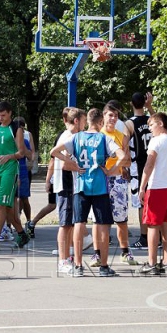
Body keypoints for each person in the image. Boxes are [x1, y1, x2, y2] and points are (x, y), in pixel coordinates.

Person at [51, 108, 125, 277]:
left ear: (89, 121)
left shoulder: (76, 137)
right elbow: (121, 155)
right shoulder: (103, 138)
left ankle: (77, 265)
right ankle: (104, 266)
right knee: (103, 225)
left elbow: (53, 152)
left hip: (81, 186)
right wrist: (110, 169)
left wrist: (73, 163)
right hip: (100, 186)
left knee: (79, 223)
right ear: (100, 123)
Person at [138, 113, 167, 274]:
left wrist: (142, 186)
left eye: (151, 125)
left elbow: (149, 164)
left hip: (156, 187)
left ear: (159, 123)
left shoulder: (156, 141)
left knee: (152, 225)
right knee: (166, 224)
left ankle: (151, 262)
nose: (150, 129)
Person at [93, 102, 136, 267]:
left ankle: (125, 251)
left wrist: (114, 168)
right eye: (110, 115)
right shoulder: (97, 136)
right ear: (103, 117)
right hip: (100, 180)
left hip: (117, 180)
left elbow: (127, 159)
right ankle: (97, 254)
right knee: (99, 219)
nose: (113, 118)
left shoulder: (122, 136)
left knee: (121, 219)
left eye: (116, 116)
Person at [0, 101, 30, 251]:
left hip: (10, 171)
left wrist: (9, 156)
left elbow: (21, 153)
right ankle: (22, 234)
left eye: (3, 115)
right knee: (8, 210)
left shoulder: (16, 129)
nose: (1, 117)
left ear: (10, 113)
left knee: (0, 206)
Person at [50, 107, 84, 273]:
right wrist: (80, 167)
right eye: (84, 122)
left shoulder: (69, 135)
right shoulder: (69, 137)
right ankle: (62, 260)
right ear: (76, 121)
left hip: (68, 184)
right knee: (65, 224)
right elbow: (64, 163)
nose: (85, 125)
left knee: (70, 223)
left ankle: (67, 256)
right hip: (65, 184)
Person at [125, 92, 154, 249]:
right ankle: (157, 233)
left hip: (138, 166)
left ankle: (144, 237)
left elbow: (125, 147)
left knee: (140, 202)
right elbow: (162, 123)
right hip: (153, 162)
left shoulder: (129, 124)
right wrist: (150, 107)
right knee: (153, 198)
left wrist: (124, 166)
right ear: (145, 102)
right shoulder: (152, 120)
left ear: (131, 104)